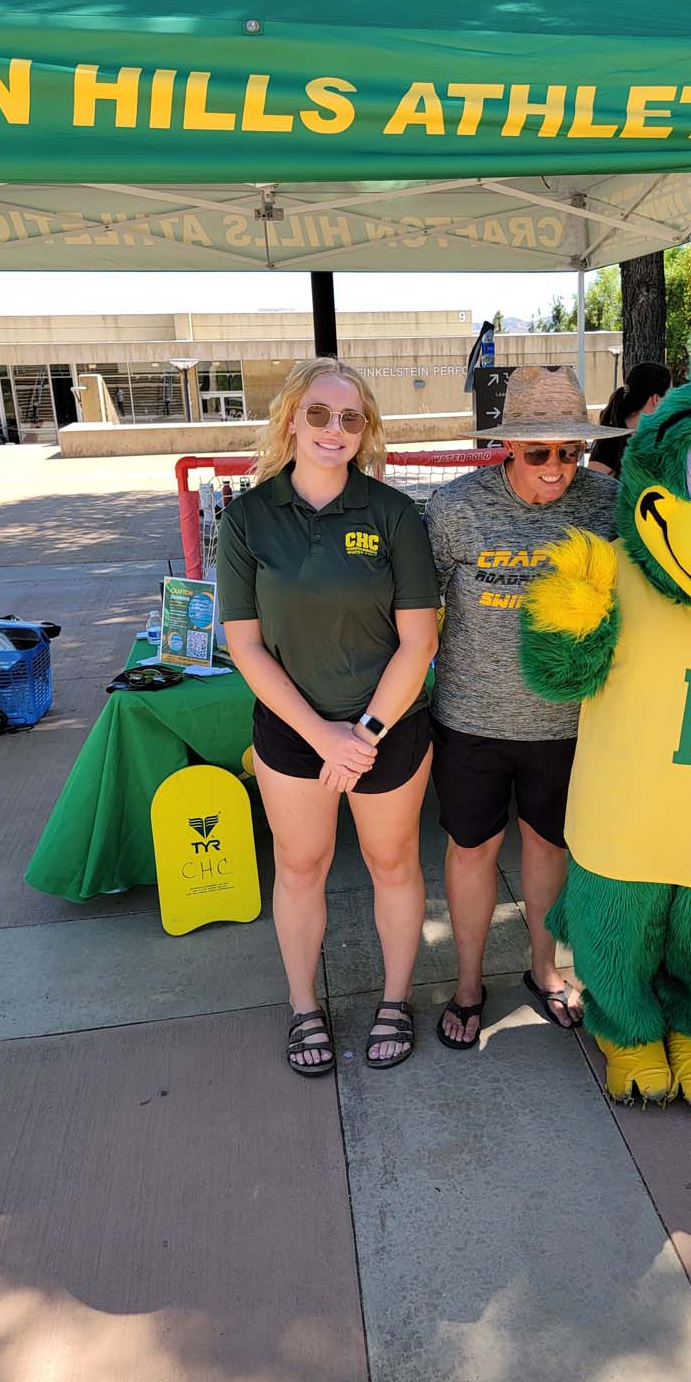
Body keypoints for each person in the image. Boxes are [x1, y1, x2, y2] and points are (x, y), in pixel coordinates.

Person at [216, 358, 440, 1079]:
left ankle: (396, 999)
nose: (333, 430)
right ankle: (303, 1005)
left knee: (393, 862)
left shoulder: (394, 515)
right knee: (300, 865)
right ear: (290, 420)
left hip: (389, 730)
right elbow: (244, 645)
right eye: (318, 414)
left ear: (366, 430)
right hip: (293, 733)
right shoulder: (247, 519)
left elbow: (419, 640)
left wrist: (364, 735)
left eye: (350, 418)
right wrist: (323, 738)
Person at [425, 366, 625, 1048]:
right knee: (470, 849)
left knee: (548, 847)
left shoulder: (610, 504)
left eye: (571, 452)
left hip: (565, 724)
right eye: (539, 452)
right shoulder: (453, 508)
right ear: (507, 447)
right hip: (470, 722)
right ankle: (469, 982)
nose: (557, 468)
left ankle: (545, 969)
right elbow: (415, 613)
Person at [586, 361, 672, 476]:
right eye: (671, 395)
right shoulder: (610, 444)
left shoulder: (661, 437)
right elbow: (593, 488)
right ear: (656, 399)